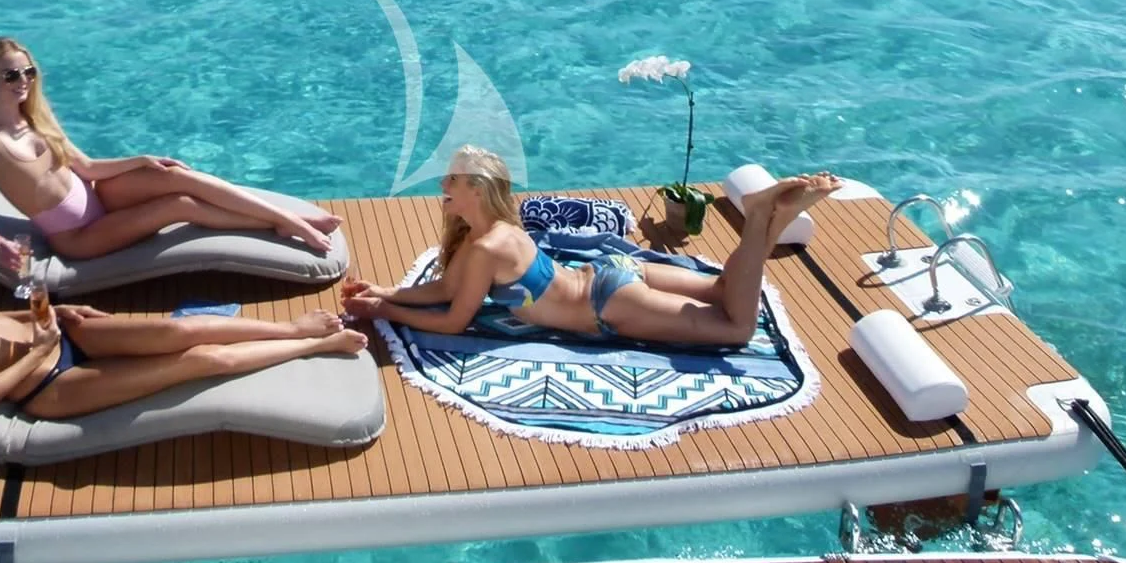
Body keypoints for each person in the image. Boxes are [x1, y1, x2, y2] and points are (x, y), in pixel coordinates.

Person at [0, 200, 366, 420]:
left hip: (57, 333)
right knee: (199, 361)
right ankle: (315, 343)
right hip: (47, 385)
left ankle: (289, 327)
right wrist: (38, 355)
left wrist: (55, 310)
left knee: (181, 330)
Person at [342, 147, 840, 346]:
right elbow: (445, 290)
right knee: (727, 289)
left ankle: (760, 215)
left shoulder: (484, 248)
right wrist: (383, 293)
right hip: (612, 271)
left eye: (451, 179)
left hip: (610, 302)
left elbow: (454, 320)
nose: (442, 185)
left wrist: (387, 313)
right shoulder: (499, 230)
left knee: (737, 328)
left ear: (475, 188)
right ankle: (775, 218)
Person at [0, 37, 342, 264]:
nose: (23, 81)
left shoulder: (37, 117)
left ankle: (287, 218)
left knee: (175, 176)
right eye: (11, 74)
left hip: (96, 196)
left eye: (28, 72)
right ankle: (284, 225)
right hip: (79, 235)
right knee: (181, 206)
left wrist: (142, 161)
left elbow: (86, 167)